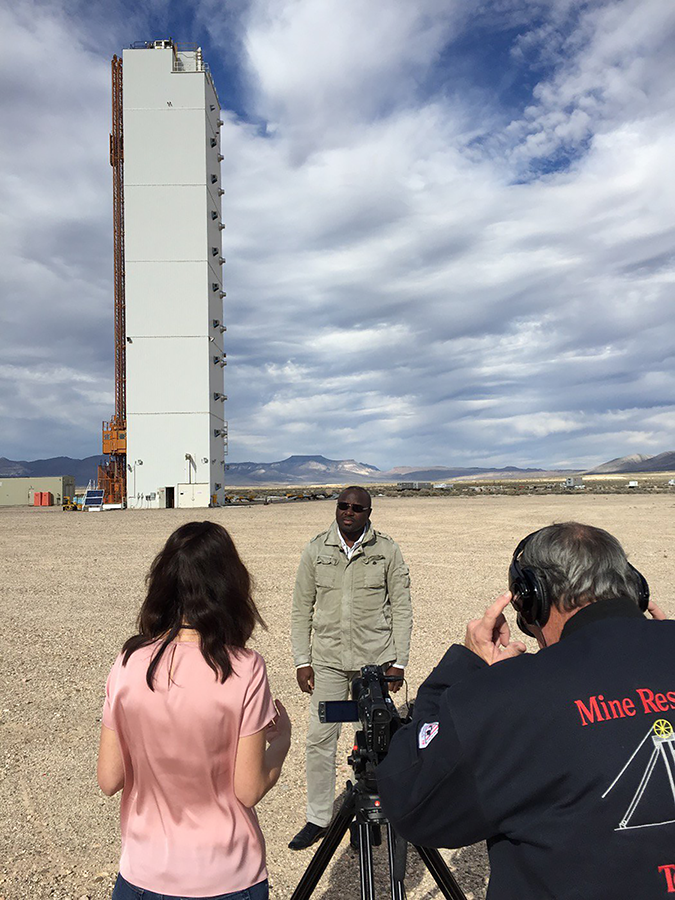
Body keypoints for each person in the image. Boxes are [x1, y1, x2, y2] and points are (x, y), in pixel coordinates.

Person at [377, 522, 673, 900]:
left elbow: (414, 800)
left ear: (533, 597)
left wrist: (464, 670)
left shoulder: (505, 695)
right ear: (633, 586)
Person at [97, 521, 291, 900]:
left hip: (143, 874)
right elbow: (248, 790)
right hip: (228, 874)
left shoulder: (129, 661)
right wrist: (281, 742)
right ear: (231, 586)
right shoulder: (245, 668)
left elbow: (109, 779)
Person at [289, 486, 413, 850]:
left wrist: (400, 662)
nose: (349, 512)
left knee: (373, 741)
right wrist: (302, 660)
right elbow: (301, 610)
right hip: (327, 662)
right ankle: (318, 818)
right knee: (320, 740)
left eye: (357, 508)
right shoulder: (316, 550)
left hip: (372, 665)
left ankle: (374, 814)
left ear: (369, 513)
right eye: (343, 506)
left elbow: (402, 607)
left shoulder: (387, 551)